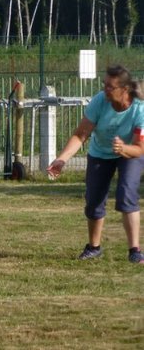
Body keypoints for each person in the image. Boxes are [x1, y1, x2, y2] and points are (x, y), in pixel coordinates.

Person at [47, 64, 144, 264]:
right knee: (93, 201)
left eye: (110, 86)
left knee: (127, 194)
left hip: (130, 153)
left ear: (124, 89)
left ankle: (135, 250)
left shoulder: (140, 109)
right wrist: (61, 159)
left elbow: (140, 148)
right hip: (100, 153)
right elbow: (81, 134)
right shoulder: (99, 102)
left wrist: (123, 149)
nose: (105, 90)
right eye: (104, 85)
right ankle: (94, 247)